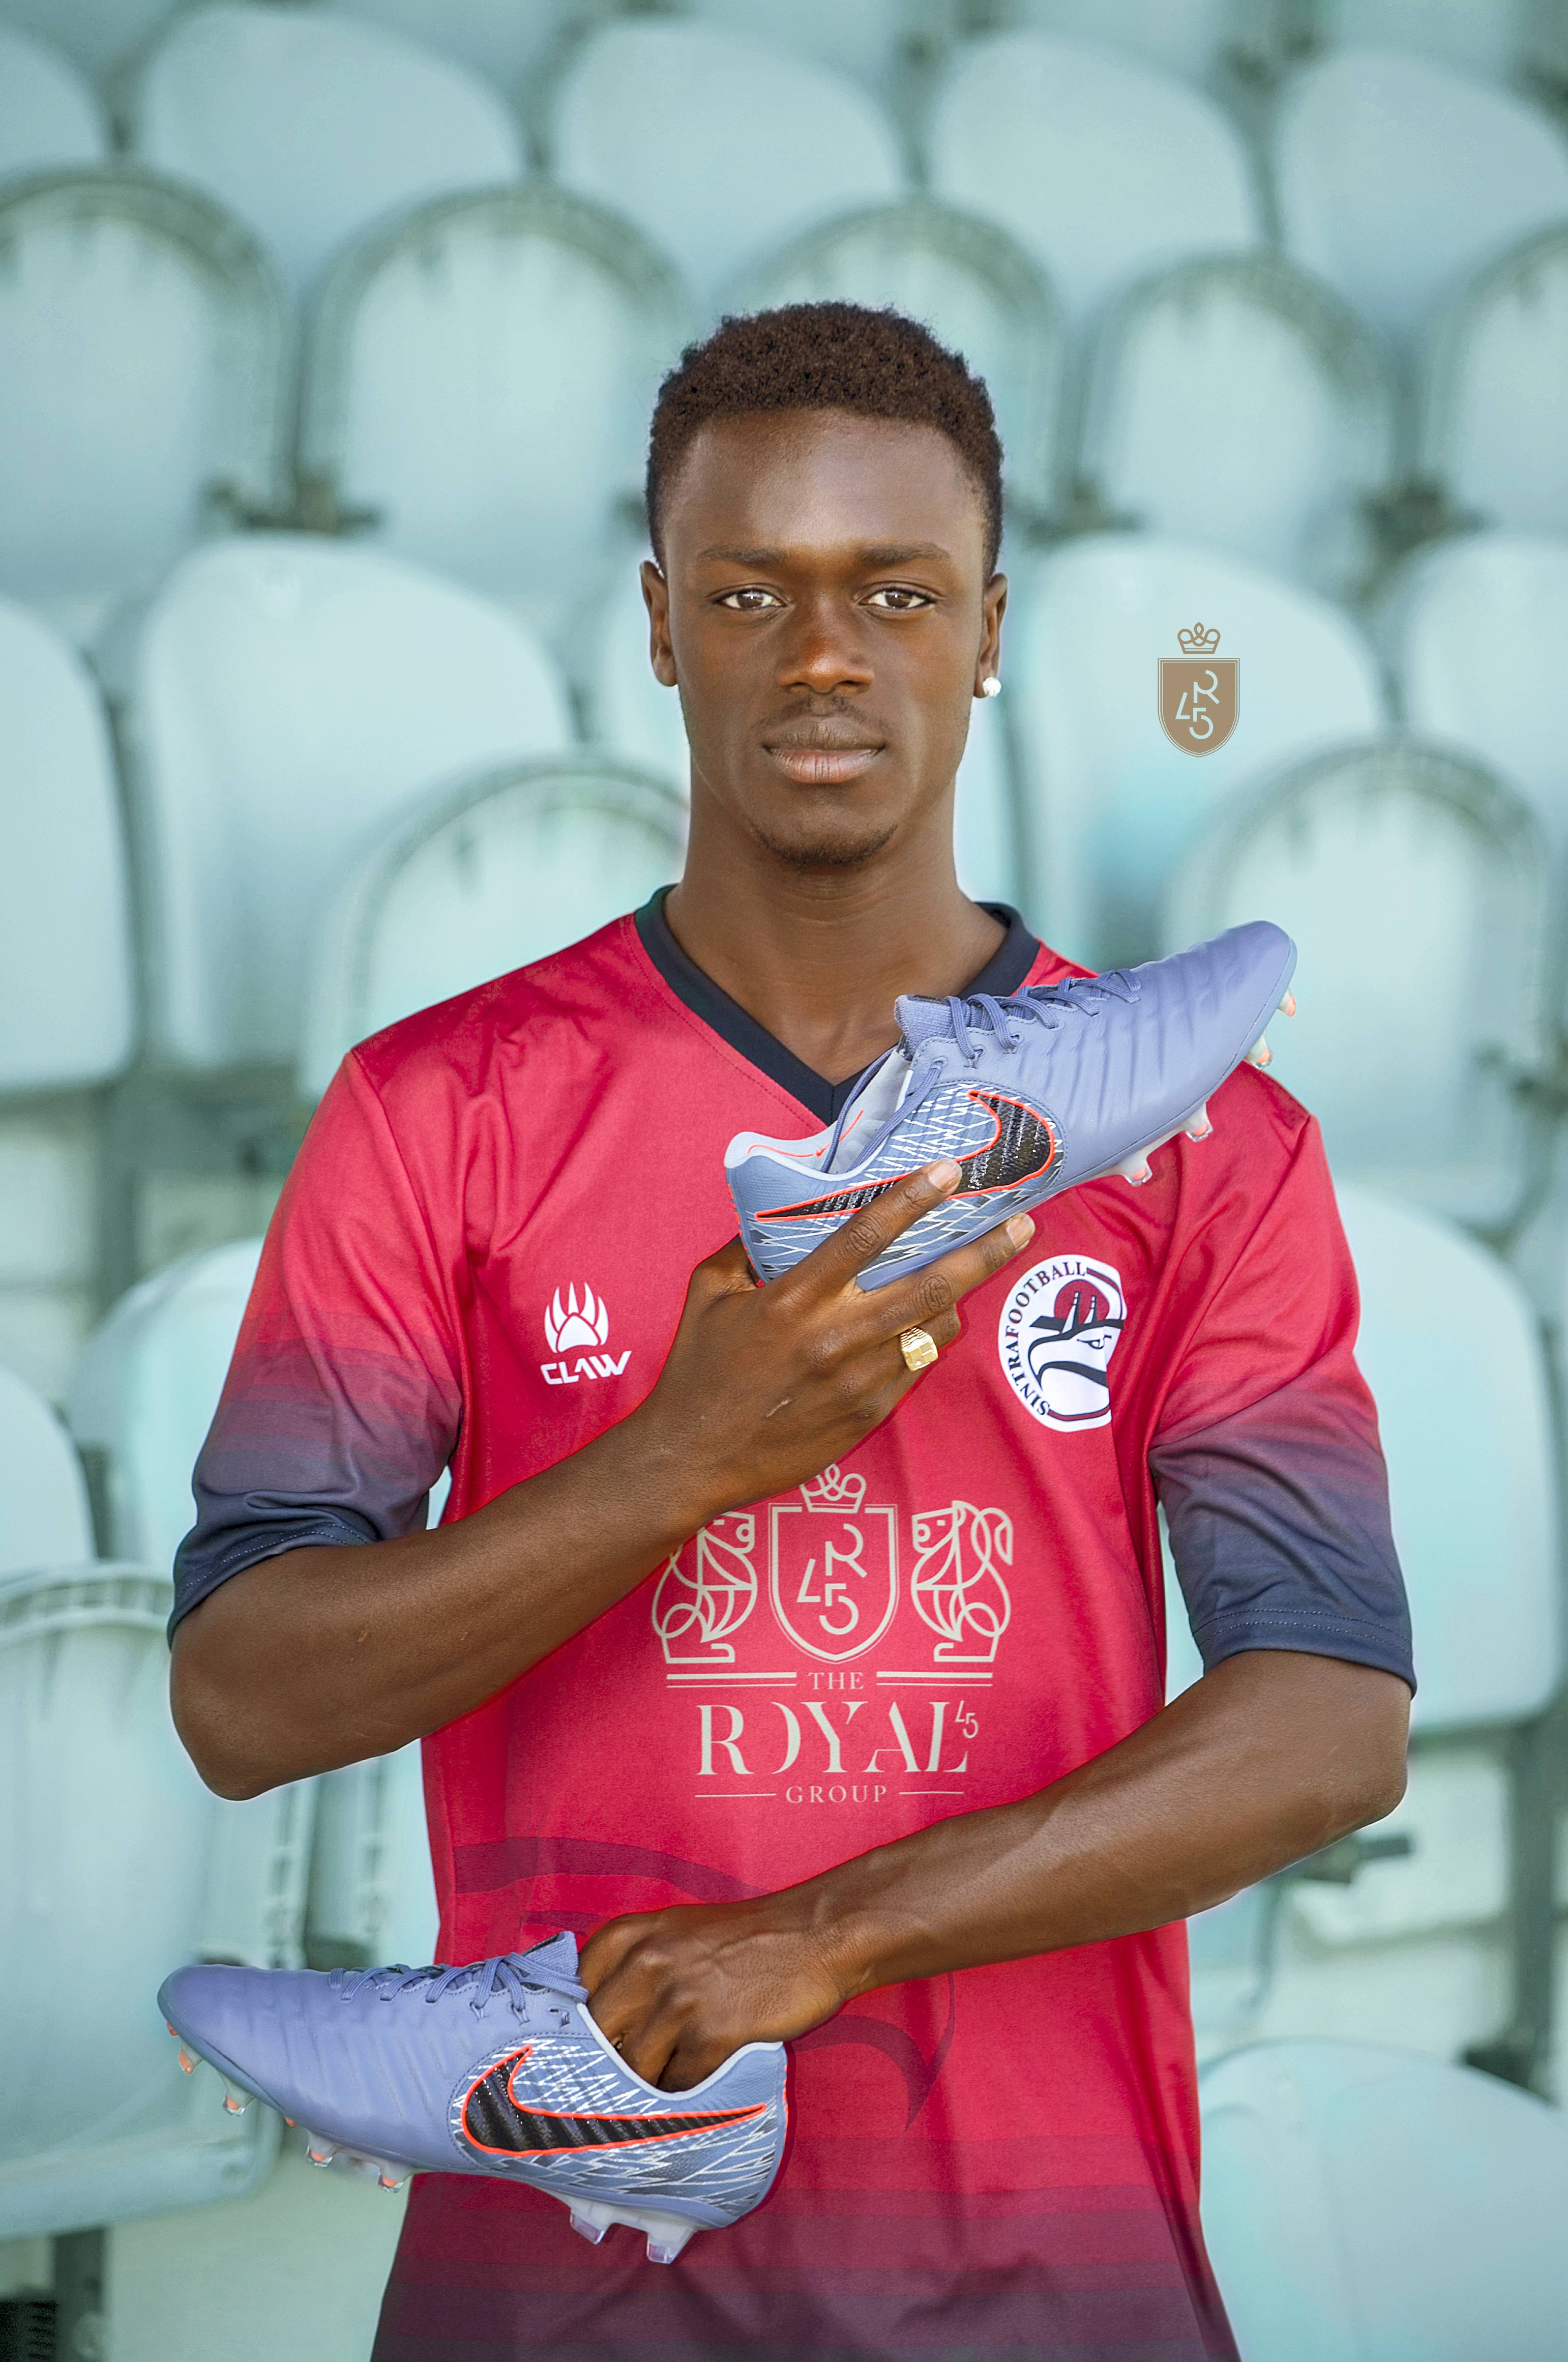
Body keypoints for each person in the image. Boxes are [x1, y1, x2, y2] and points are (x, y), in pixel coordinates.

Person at [169, 304, 1413, 2360]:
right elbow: (241, 1702)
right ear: (662, 626)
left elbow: (1330, 1723)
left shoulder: (1211, 1139)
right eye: (751, 593)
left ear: (989, 629)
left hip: (1054, 2274)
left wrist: (817, 1938)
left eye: (896, 594)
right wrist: (682, 1458)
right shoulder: (442, 1108)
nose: (824, 655)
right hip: (563, 2292)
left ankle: (937, 1114)